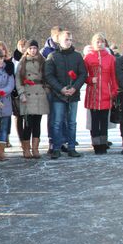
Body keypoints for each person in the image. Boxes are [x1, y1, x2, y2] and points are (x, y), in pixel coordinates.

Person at [44, 30, 86, 159]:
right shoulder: (53, 56)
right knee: (57, 122)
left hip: (73, 95)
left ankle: (71, 147)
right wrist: (60, 89)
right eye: (66, 40)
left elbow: (83, 74)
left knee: (72, 122)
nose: (68, 42)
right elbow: (49, 75)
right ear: (60, 41)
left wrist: (75, 87)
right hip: (58, 95)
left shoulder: (77, 56)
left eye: (70, 40)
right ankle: (56, 148)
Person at [83, 33, 118, 154]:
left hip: (106, 92)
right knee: (94, 120)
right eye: (97, 42)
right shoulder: (88, 58)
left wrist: (114, 91)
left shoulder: (111, 58)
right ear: (93, 43)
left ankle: (103, 143)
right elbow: (82, 75)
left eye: (102, 42)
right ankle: (96, 144)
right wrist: (89, 79)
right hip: (93, 93)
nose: (100, 44)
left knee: (104, 120)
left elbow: (114, 77)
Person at [16, 40, 48, 158]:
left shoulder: (43, 61)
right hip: (27, 94)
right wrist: (21, 93)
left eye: (35, 48)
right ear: (27, 49)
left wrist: (47, 89)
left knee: (37, 123)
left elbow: (47, 76)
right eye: (30, 48)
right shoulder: (22, 62)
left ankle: (35, 148)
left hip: (40, 94)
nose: (33, 50)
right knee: (28, 123)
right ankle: (26, 149)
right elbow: (18, 79)